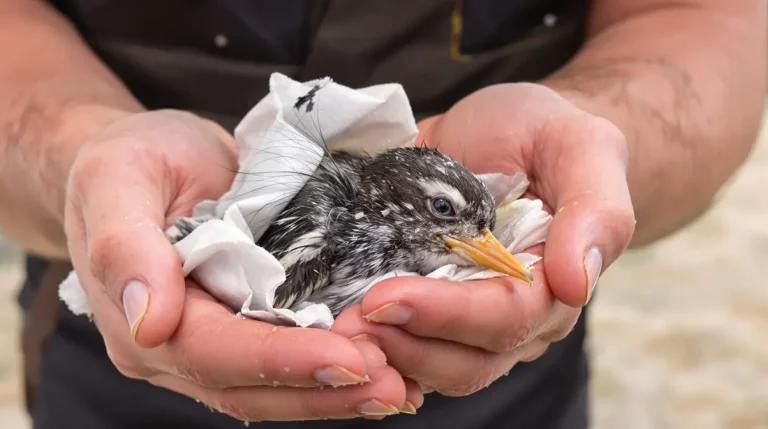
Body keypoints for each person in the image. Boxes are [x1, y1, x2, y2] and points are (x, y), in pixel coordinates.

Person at [0, 0, 765, 428]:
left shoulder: (462, 246)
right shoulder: (330, 220)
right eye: (442, 213)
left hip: (510, 370)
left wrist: (592, 145)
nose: (480, 241)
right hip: (118, 335)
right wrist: (77, 155)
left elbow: (698, 17)